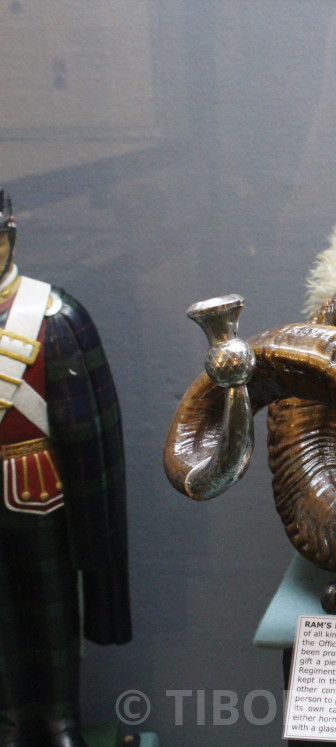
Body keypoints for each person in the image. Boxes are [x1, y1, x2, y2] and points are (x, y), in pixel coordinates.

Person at [0, 192, 130, 747]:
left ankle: (58, 719)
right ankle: (8, 721)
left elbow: (92, 430)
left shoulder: (55, 315)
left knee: (52, 613)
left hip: (39, 491)